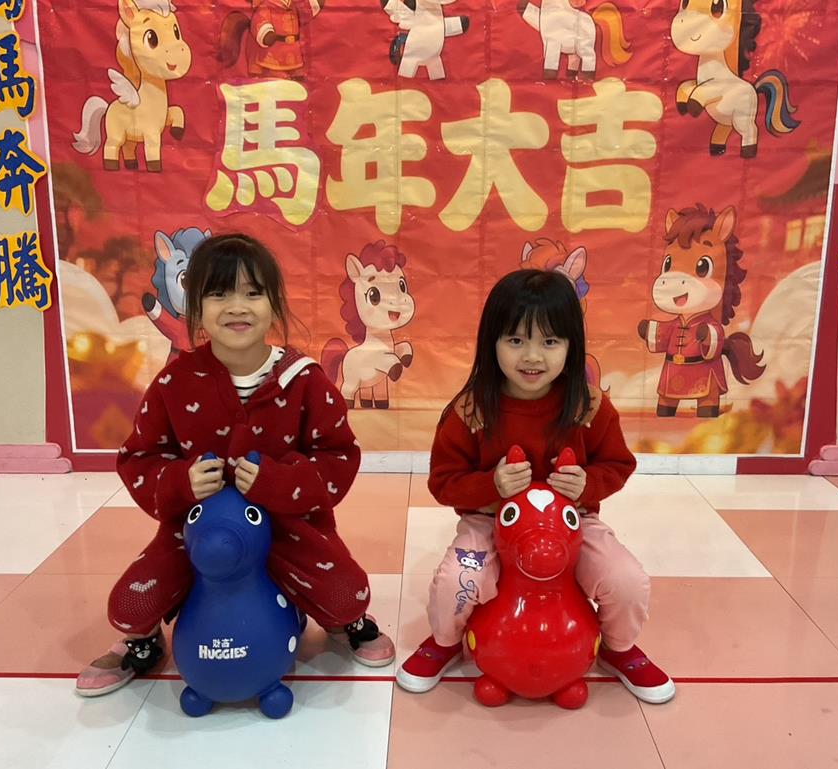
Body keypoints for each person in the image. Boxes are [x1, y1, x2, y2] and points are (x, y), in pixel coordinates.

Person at [76, 233, 395, 696]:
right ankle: (144, 642)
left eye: (253, 293)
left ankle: (333, 619)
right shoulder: (174, 382)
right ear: (195, 306)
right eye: (219, 294)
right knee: (129, 605)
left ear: (274, 302)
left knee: (348, 597)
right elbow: (139, 457)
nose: (237, 307)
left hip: (289, 527)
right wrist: (181, 482)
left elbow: (338, 456)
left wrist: (279, 482)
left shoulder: (304, 380)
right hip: (195, 533)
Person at [396, 269, 674, 704]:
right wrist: (491, 484)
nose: (532, 356)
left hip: (573, 522)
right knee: (456, 580)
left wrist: (587, 484)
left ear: (571, 346)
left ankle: (619, 648)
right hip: (489, 522)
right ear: (491, 342)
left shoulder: (589, 406)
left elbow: (619, 463)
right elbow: (443, 482)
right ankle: (446, 641)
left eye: (549, 342)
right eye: (515, 340)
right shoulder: (471, 410)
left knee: (626, 579)